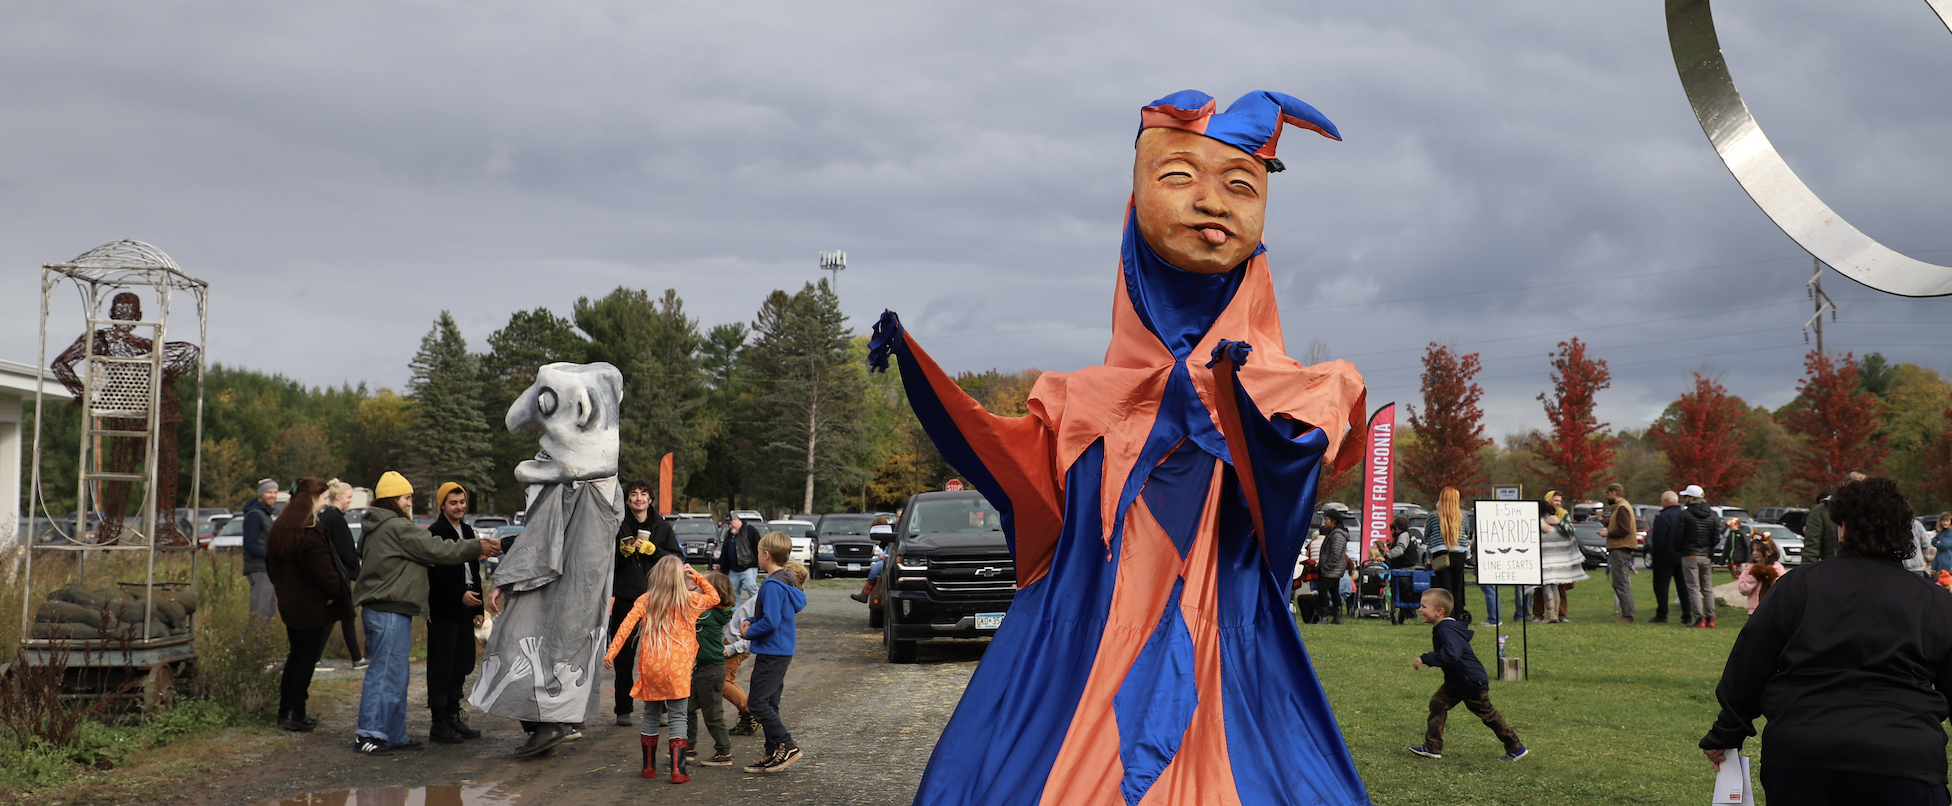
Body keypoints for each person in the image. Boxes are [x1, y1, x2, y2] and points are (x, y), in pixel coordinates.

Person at [1700, 477, 1952, 804]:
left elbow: (1750, 665)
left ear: (1844, 527)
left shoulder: (1797, 586)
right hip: (1903, 760)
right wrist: (1728, 730)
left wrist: (1728, 731)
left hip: (1803, 757)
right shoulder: (1933, 601)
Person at [351, 471, 500, 756]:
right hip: (388, 610)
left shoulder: (379, 527)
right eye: (406, 497)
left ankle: (393, 734)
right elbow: (435, 549)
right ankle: (367, 734)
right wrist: (476, 547)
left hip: (392, 610)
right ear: (394, 499)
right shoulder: (395, 527)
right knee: (384, 674)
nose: (410, 503)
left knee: (397, 675)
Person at [604, 556, 720, 783]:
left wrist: (611, 653)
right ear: (680, 577)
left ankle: (649, 768)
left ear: (656, 576)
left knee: (650, 715)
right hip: (677, 670)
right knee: (678, 716)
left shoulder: (645, 600)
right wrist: (696, 575)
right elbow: (715, 598)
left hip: (651, 668)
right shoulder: (689, 600)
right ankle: (678, 770)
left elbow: (624, 628)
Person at [263, 477, 350, 733]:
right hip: (311, 605)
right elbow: (324, 570)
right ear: (311, 500)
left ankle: (286, 709)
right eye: (323, 499)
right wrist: (334, 591)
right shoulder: (310, 530)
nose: (325, 505)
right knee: (306, 658)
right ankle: (295, 711)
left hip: (290, 603)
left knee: (296, 655)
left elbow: (271, 566)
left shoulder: (281, 528)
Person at [1407, 589, 1526, 762]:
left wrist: (1425, 659)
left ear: (1439, 612)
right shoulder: (1444, 627)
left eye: (1424, 606)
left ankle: (1516, 747)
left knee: (1488, 715)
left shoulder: (1445, 631)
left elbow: (1451, 654)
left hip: (1470, 681)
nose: (1419, 609)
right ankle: (1432, 747)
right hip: (1457, 681)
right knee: (1437, 705)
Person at [611, 479, 681, 726]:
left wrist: (655, 552)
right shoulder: (618, 525)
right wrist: (620, 553)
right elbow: (604, 565)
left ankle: (660, 708)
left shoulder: (662, 527)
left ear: (650, 499)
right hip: (626, 597)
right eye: (633, 494)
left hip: (656, 598)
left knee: (658, 655)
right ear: (627, 500)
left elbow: (677, 560)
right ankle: (623, 709)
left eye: (643, 494)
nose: (638, 498)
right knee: (624, 656)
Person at [425, 482, 487, 744]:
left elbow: (475, 570)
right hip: (444, 608)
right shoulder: (435, 533)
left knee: (462, 663)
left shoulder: (469, 530)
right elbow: (434, 573)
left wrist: (479, 606)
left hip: (466, 606)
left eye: (462, 502)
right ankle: (439, 723)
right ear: (442, 505)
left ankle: (453, 716)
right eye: (453, 502)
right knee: (443, 665)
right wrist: (458, 593)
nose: (459, 506)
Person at [740, 531, 807, 773]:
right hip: (782, 650)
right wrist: (751, 620)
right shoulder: (786, 581)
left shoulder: (770, 584)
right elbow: (775, 613)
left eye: (758, 553)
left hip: (771, 651)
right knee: (770, 702)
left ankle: (787, 745)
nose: (757, 557)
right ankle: (773, 752)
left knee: (757, 703)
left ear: (766, 555)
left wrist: (749, 632)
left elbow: (771, 621)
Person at [724, 560, 809, 738]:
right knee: (768, 701)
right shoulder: (776, 592)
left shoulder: (773, 590)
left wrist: (737, 644)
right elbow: (762, 619)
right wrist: (753, 623)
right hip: (761, 648)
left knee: (750, 698)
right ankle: (773, 747)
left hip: (757, 648)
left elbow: (770, 623)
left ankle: (784, 743)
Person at [689, 571, 738, 768]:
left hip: (710, 670)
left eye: (702, 583)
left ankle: (724, 752)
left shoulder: (706, 613)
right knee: (687, 708)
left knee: (713, 713)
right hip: (703, 669)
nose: (697, 586)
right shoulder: (711, 611)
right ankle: (687, 748)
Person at [320, 479, 364, 670]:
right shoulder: (337, 519)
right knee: (335, 616)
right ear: (338, 497)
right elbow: (346, 550)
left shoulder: (324, 516)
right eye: (349, 497)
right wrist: (358, 571)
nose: (350, 501)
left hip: (331, 571)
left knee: (345, 615)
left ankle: (357, 658)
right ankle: (315, 657)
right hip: (340, 573)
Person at [1424, 488, 1471, 625]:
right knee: (1457, 588)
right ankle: (1457, 617)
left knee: (1445, 590)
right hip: (1459, 554)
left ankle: (1446, 619)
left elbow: (1427, 535)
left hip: (1440, 554)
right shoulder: (1463, 516)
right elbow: (1467, 533)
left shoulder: (1433, 516)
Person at [1676, 485, 1719, 628]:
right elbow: (1716, 537)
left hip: (1689, 554)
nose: (1684, 500)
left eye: (1686, 497)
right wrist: (1708, 549)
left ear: (1692, 498)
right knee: (1707, 587)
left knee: (1693, 588)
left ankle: (1699, 618)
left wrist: (1681, 549)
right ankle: (1711, 618)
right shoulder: (1712, 515)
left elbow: (1677, 536)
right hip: (1705, 555)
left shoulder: (1684, 514)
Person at [1803, 470, 1866, 564]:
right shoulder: (1821, 511)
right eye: (1854, 482)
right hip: (1831, 570)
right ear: (1844, 484)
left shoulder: (1868, 511)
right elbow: (1811, 549)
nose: (1859, 487)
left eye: (1863, 484)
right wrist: (1808, 575)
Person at [1646, 491, 1688, 625]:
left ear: (1666, 501)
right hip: (1682, 555)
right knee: (1683, 586)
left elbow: (1658, 538)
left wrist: (1656, 553)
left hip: (1665, 556)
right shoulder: (1684, 515)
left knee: (1661, 586)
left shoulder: (1663, 517)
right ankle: (1687, 615)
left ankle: (1662, 614)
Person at [241, 479, 280, 623]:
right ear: (261, 494)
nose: (272, 495)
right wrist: (271, 557)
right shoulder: (255, 515)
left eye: (275, 492)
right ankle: (249, 644)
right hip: (259, 569)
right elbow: (250, 544)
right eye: (269, 492)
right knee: (259, 613)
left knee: (269, 612)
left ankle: (260, 644)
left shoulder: (266, 514)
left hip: (267, 569)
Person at [1601, 483, 1637, 622]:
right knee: (1620, 582)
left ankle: (1628, 615)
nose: (1607, 496)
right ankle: (1627, 613)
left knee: (1621, 582)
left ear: (1614, 492)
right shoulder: (1621, 507)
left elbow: (1624, 530)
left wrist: (1607, 534)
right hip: (1621, 548)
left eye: (1608, 493)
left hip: (1620, 549)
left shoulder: (1622, 508)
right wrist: (1607, 522)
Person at [1381, 515, 1422, 622]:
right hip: (1410, 567)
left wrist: (1386, 556)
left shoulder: (1403, 535)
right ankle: (1407, 613)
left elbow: (1400, 550)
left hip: (1404, 569)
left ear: (1398, 527)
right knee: (1406, 591)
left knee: (1402, 591)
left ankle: (1409, 613)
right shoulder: (1409, 535)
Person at [718, 514, 763, 605]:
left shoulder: (750, 530)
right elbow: (725, 549)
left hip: (748, 565)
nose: (730, 526)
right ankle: (735, 612)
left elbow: (758, 545)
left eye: (731, 523)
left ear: (737, 520)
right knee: (733, 591)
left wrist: (760, 560)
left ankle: (759, 605)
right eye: (728, 525)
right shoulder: (729, 534)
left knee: (750, 586)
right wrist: (720, 563)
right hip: (733, 569)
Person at [1735, 536, 1787, 614]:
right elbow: (1743, 590)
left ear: (1769, 552)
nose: (1754, 553)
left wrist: (1772, 577)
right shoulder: (1749, 568)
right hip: (1755, 611)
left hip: (1774, 610)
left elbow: (1784, 590)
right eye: (1753, 550)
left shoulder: (1778, 568)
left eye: (1758, 550)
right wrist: (1754, 576)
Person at [1316, 512, 1350, 625]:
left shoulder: (1338, 535)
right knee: (1334, 591)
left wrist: (1326, 567)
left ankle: (1324, 617)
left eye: (1326, 519)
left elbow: (1336, 554)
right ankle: (1337, 618)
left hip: (1332, 570)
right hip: (1333, 569)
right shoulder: (1333, 533)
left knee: (1322, 589)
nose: (1325, 522)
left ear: (1334, 521)